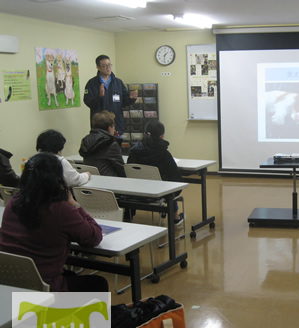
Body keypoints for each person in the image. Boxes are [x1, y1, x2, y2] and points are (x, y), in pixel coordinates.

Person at [0, 152, 108, 292]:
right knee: (98, 283)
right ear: (57, 179)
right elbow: (94, 237)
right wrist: (73, 203)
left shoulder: (13, 202)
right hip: (45, 286)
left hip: (11, 281)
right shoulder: (60, 209)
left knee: (71, 275)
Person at [127, 120, 184, 225]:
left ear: (144, 133)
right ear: (162, 136)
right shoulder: (164, 154)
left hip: (135, 191)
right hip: (159, 193)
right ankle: (175, 217)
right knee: (170, 184)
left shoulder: (133, 152)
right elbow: (176, 178)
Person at [83, 54, 138, 135]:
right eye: (104, 65)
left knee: (116, 147)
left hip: (116, 125)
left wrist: (131, 98)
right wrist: (99, 97)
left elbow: (124, 101)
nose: (108, 67)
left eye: (109, 65)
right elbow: (88, 101)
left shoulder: (118, 82)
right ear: (98, 67)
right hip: (100, 127)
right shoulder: (92, 83)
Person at [79, 110, 126, 177]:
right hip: (110, 181)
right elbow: (121, 168)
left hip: (91, 179)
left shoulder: (86, 140)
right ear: (110, 128)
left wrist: (113, 138)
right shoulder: (111, 144)